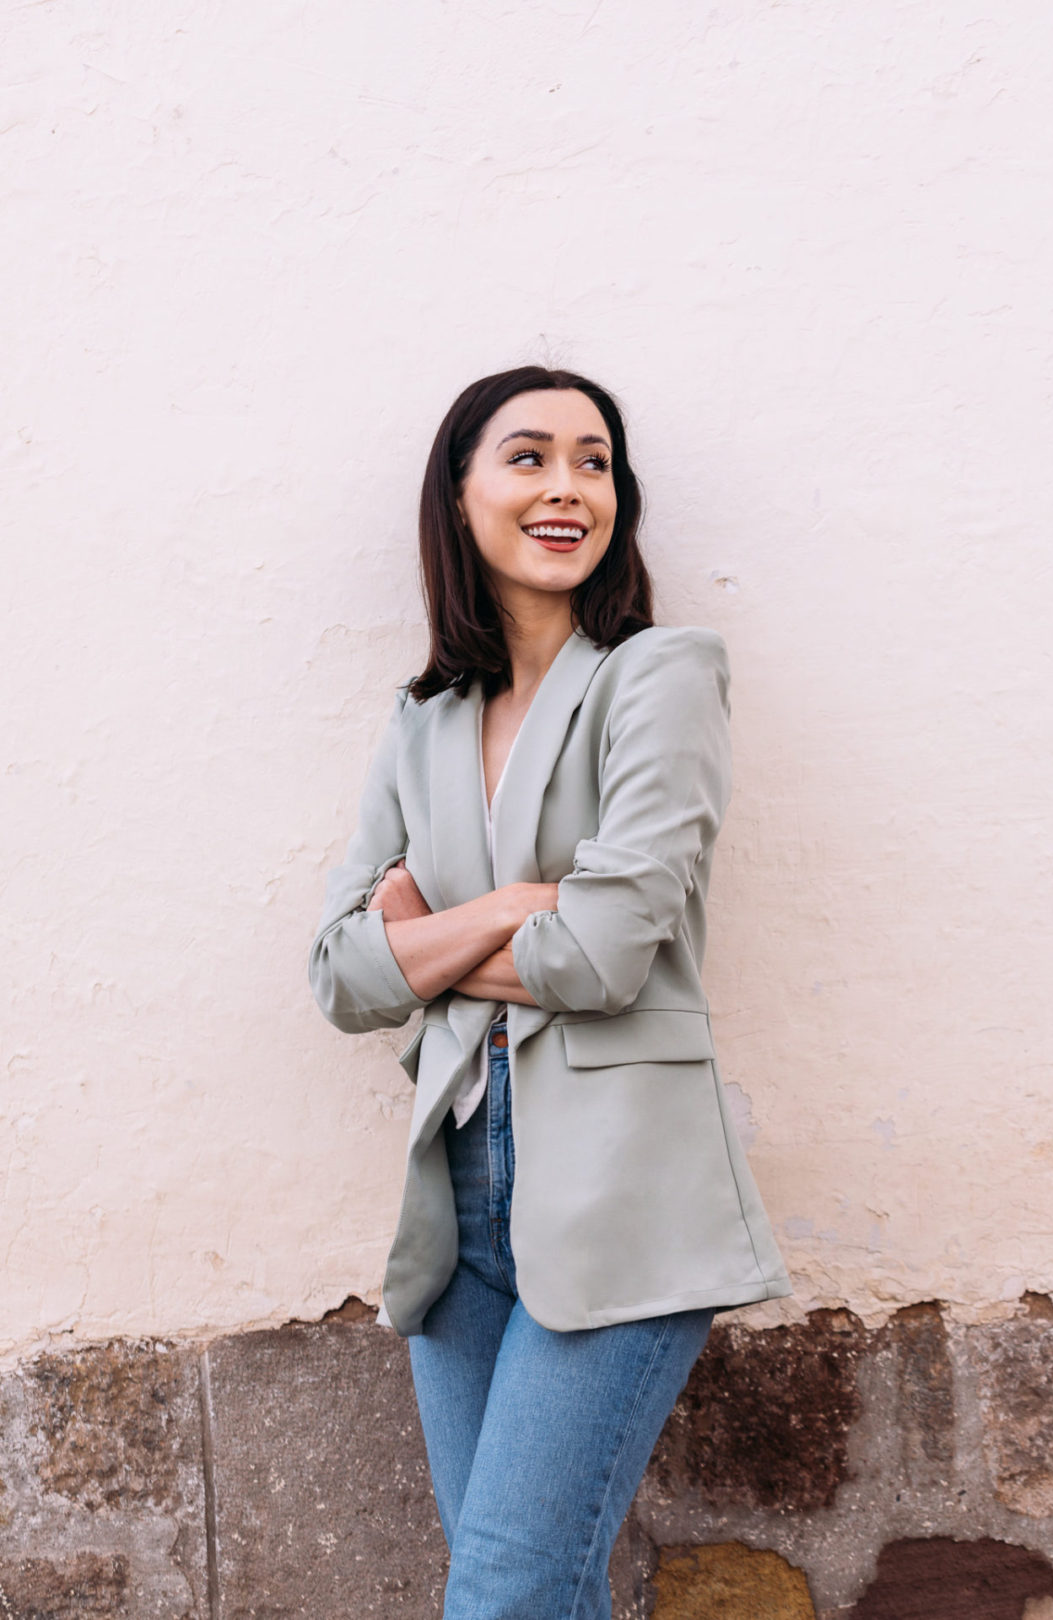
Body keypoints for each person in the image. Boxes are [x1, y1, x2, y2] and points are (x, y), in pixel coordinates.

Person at [308, 365, 791, 1619]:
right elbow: (341, 976)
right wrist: (513, 910)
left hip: (624, 1195)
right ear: (459, 496)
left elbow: (605, 957)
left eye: (594, 460)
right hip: (458, 1202)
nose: (568, 486)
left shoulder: (661, 676)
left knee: (509, 1593)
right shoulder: (422, 724)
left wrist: (432, 942)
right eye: (527, 457)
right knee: (521, 1591)